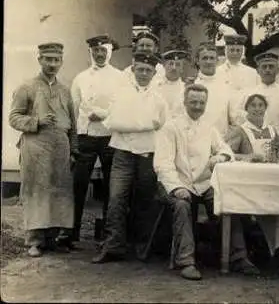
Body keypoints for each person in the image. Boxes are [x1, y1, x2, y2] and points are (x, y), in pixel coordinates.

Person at [154, 83, 260, 280]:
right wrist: (176, 187)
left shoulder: (208, 127)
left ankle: (237, 257)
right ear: (184, 102)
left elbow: (225, 149)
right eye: (193, 102)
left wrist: (219, 158)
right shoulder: (170, 127)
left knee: (227, 202)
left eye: (201, 103)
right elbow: (162, 164)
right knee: (181, 205)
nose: (197, 106)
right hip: (176, 182)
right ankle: (186, 260)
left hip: (203, 184)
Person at [92, 52, 167, 264]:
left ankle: (142, 246)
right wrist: (143, 125)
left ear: (154, 73)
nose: (144, 73)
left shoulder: (159, 100)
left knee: (144, 200)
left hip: (147, 155)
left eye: (148, 70)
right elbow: (113, 122)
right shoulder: (121, 93)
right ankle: (113, 246)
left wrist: (134, 125)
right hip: (123, 153)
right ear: (133, 70)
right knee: (116, 199)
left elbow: (161, 127)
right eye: (140, 69)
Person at [9, 42, 79, 257]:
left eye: (56, 60)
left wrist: (74, 150)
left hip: (60, 148)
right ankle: (34, 241)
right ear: (39, 59)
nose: (52, 64)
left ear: (61, 62)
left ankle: (53, 238)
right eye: (47, 59)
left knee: (59, 190)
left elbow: (73, 124)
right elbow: (13, 117)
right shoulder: (26, 87)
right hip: (35, 147)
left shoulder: (65, 90)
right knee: (36, 190)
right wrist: (36, 121)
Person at [225, 94, 279, 256]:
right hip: (250, 182)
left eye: (261, 105)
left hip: (272, 180)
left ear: (265, 108)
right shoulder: (240, 130)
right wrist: (248, 157)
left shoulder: (272, 129)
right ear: (246, 109)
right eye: (253, 105)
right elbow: (227, 153)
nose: (257, 108)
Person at [71, 34, 124, 244]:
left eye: (103, 51)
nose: (99, 55)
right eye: (96, 51)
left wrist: (103, 114)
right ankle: (72, 232)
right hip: (86, 136)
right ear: (91, 52)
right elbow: (75, 108)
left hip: (110, 136)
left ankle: (107, 234)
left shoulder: (120, 77)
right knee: (79, 183)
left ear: (109, 52)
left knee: (110, 186)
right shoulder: (80, 78)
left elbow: (122, 104)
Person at [236, 51, 279, 134]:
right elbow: (239, 117)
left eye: (271, 67)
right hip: (256, 140)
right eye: (264, 67)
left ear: (278, 70)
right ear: (258, 70)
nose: (267, 70)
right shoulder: (248, 94)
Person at [193, 41, 242, 136]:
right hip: (196, 140)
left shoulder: (226, 86)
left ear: (217, 61)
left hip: (221, 141)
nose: (208, 62)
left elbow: (234, 118)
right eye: (204, 58)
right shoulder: (191, 86)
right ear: (197, 61)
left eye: (211, 58)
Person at [156, 49, 189, 118]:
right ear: (164, 66)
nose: (174, 68)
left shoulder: (186, 89)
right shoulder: (155, 86)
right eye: (171, 64)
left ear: (182, 69)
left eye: (178, 65)